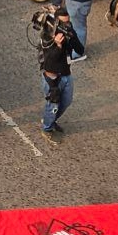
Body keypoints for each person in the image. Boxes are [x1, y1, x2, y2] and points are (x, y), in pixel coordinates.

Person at [39, 7, 83, 142]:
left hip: (66, 73)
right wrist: (58, 46)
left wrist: (72, 36)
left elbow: (80, 49)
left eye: (68, 22)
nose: (67, 26)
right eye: (63, 24)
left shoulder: (68, 32)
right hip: (52, 77)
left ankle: (50, 119)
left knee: (66, 101)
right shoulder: (47, 37)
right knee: (53, 105)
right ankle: (47, 127)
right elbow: (49, 62)